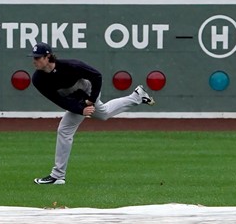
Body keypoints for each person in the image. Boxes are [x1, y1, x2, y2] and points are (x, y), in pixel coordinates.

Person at [28, 42, 155, 185]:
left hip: (87, 92)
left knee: (65, 130)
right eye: (34, 57)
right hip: (75, 100)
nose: (34, 60)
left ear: (48, 56)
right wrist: (80, 109)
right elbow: (58, 99)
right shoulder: (38, 79)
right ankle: (137, 96)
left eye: (38, 57)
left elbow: (97, 76)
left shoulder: (70, 66)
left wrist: (91, 100)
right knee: (104, 114)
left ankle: (57, 176)